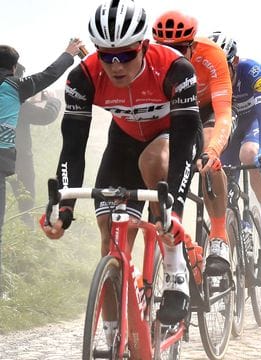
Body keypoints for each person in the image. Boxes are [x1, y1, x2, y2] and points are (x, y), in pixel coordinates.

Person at [40, 0, 201, 329]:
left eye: (126, 55)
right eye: (106, 55)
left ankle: (174, 271)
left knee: (154, 160)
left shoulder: (175, 69)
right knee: (111, 243)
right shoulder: (83, 77)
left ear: (144, 46)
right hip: (123, 144)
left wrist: (174, 210)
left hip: (171, 138)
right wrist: (65, 208)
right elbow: (73, 147)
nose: (116, 65)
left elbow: (184, 146)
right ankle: (113, 336)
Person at [151, 11, 236, 277]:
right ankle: (174, 242)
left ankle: (219, 237)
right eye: (166, 49)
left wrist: (212, 151)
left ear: (192, 45)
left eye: (178, 49)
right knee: (157, 162)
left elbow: (223, 113)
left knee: (209, 159)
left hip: (207, 110)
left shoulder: (211, 55)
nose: (172, 55)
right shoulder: (149, 58)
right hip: (174, 109)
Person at [0, 40, 82, 296]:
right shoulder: (16, 89)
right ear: (14, 68)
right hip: (9, 163)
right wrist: (69, 54)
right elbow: (49, 76)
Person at [208, 31, 261, 252]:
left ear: (234, 62)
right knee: (216, 166)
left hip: (252, 124)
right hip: (229, 128)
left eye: (223, 66)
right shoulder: (206, 78)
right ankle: (234, 226)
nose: (217, 72)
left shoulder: (253, 72)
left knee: (249, 154)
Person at [9, 69, 62, 229]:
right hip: (19, 158)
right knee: (25, 202)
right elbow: (46, 116)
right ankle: (26, 233)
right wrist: (53, 100)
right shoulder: (15, 102)